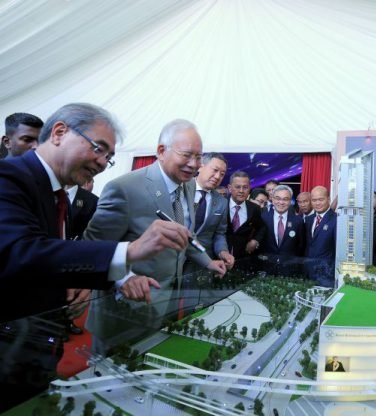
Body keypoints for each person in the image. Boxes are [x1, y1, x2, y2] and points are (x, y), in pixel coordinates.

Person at [0, 103, 185, 411]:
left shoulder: (58, 194)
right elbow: (21, 252)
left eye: (109, 158)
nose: (102, 163)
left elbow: (51, 261)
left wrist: (117, 278)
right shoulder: (9, 177)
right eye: (99, 149)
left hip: (36, 348)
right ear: (59, 132)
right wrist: (130, 250)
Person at [84, 119, 226, 354]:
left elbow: (182, 231)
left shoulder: (188, 185)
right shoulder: (125, 188)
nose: (194, 164)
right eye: (187, 155)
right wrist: (125, 278)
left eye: (199, 157)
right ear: (161, 151)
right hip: (124, 308)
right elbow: (93, 246)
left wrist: (207, 261)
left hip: (167, 303)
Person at [65, 178, 99, 335]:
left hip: (75, 257)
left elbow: (95, 236)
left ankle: (65, 324)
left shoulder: (92, 201)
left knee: (70, 297)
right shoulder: (39, 191)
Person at [192, 152, 234, 268]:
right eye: (215, 170)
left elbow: (219, 233)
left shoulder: (222, 202)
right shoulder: (180, 189)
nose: (217, 177)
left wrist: (223, 251)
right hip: (172, 258)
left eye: (222, 174)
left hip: (203, 262)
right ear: (200, 166)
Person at [260, 184, 305, 276]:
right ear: (272, 199)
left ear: (290, 201)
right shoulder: (263, 218)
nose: (281, 202)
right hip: (267, 269)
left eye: (285, 199)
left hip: (290, 270)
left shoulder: (298, 221)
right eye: (277, 198)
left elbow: (301, 246)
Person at [226, 171, 264, 265]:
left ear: (249, 189)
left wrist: (255, 241)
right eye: (238, 187)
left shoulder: (254, 208)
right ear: (230, 188)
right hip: (218, 257)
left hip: (243, 258)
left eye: (245, 187)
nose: (241, 191)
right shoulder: (220, 205)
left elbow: (262, 227)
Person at [304, 186, 336, 287]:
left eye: (321, 199)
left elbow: (337, 250)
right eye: (314, 200)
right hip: (308, 273)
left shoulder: (337, 220)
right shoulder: (309, 220)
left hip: (326, 275)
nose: (317, 203)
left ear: (328, 199)